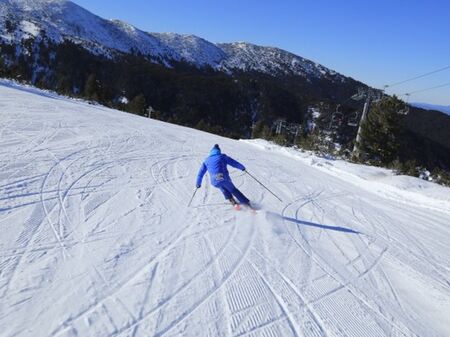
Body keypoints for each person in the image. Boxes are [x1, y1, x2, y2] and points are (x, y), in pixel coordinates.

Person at [196, 144, 250, 209]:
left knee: (223, 189)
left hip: (214, 181)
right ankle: (247, 204)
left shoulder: (206, 161)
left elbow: (200, 173)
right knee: (233, 190)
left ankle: (233, 202)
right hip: (224, 178)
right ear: (219, 151)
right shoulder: (222, 157)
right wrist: (242, 167)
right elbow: (233, 163)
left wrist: (198, 183)